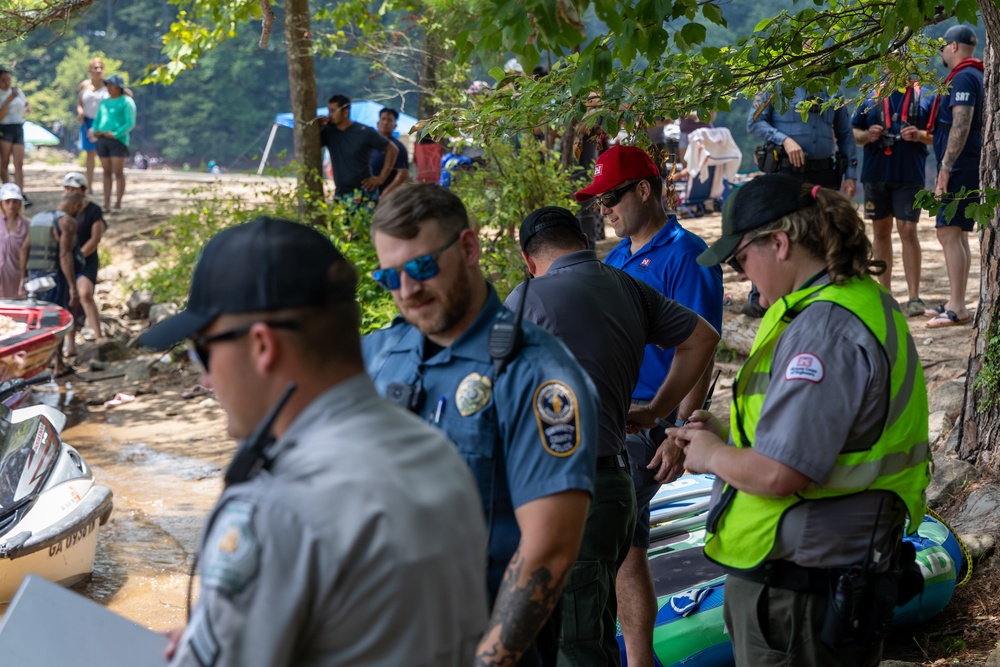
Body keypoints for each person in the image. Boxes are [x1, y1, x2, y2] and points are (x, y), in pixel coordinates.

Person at [136, 216, 489, 667]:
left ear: (262, 346)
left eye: (202, 352)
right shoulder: (435, 452)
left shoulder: (274, 510)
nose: (204, 378)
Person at [673, 173, 930, 667]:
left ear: (780, 243)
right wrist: (729, 437)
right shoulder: (852, 303)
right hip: (820, 583)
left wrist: (712, 456)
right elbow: (829, 441)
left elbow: (779, 473)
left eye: (741, 259)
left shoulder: (824, 329)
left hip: (801, 595)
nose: (742, 274)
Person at [363, 182, 598, 667]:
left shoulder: (537, 373)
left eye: (422, 267)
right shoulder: (381, 355)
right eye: (390, 278)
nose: (407, 290)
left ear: (468, 248)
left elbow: (548, 550)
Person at [507, 206, 720, 667]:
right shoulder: (628, 285)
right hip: (617, 485)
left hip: (565, 493)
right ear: (585, 242)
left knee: (575, 646)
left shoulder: (527, 301)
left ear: (529, 259)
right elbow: (703, 338)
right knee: (593, 625)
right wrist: (659, 411)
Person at [573, 144, 723, 667]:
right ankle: (637, 658)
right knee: (624, 547)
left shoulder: (687, 254)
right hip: (618, 417)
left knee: (618, 545)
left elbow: (702, 346)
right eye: (596, 202)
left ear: (644, 190)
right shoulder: (616, 259)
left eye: (610, 197)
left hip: (652, 420)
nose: (603, 209)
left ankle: (635, 658)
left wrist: (680, 431)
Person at [747, 86, 858, 317]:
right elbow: (754, 123)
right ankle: (762, 297)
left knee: (824, 234)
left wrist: (851, 175)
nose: (810, 47)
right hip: (785, 171)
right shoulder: (776, 83)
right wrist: (784, 140)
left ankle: (821, 294)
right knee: (775, 232)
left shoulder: (832, 86)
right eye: (806, 45)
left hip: (824, 173)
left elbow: (846, 133)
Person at [852, 74, 931, 317]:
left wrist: (918, 135)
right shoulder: (870, 95)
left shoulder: (924, 96)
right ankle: (884, 294)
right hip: (876, 174)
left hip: (910, 175)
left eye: (904, 55)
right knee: (880, 232)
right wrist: (868, 136)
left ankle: (914, 297)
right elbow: (853, 134)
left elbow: (937, 135)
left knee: (908, 231)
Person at [925, 24, 983, 328]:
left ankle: (957, 306)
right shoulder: (977, 74)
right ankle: (954, 300)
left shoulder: (962, 78)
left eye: (942, 47)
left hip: (961, 164)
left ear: (954, 47)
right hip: (967, 162)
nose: (941, 53)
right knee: (956, 232)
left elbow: (961, 123)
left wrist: (945, 168)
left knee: (948, 230)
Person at [319, 94, 399, 204]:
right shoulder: (328, 132)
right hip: (341, 194)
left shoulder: (365, 132)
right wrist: (317, 125)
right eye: (329, 111)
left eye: (333, 111)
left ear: (345, 112)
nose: (329, 115)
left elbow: (392, 150)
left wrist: (381, 178)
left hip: (364, 194)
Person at [21, 192, 83, 312]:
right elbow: (65, 255)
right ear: (75, 206)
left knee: (36, 314)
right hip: (53, 279)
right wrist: (72, 286)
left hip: (33, 277)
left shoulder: (37, 218)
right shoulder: (67, 222)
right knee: (53, 317)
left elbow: (24, 249)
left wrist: (22, 278)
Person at [63, 171, 106, 345]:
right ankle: (70, 345)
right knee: (69, 300)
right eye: (68, 188)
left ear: (83, 190)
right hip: (67, 261)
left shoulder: (94, 210)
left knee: (85, 294)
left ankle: (99, 335)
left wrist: (78, 257)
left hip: (86, 260)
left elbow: (95, 239)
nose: (71, 191)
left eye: (74, 188)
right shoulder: (64, 209)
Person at [90, 73, 136, 212]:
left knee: (118, 172)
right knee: (106, 172)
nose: (109, 87)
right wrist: (96, 130)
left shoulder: (127, 102)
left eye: (112, 85)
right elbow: (98, 119)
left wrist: (116, 134)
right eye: (108, 85)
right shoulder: (104, 102)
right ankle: (106, 203)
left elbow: (130, 123)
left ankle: (118, 203)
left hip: (118, 141)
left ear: (119, 87)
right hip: (103, 139)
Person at [78, 57, 109, 191]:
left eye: (101, 67)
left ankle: (106, 185)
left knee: (103, 154)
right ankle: (89, 186)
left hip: (103, 123)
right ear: (90, 70)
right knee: (90, 154)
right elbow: (79, 104)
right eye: (95, 67)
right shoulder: (84, 85)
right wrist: (80, 112)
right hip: (87, 123)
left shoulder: (108, 85)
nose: (98, 70)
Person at [0, 69, 30, 206]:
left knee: (19, 163)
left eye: (8, 79)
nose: (7, 83)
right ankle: (7, 191)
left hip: (18, 128)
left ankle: (20, 193)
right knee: (4, 162)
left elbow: (25, 103)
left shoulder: (17, 91)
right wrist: (8, 100)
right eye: (3, 80)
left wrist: (28, 108)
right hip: (5, 129)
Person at [370, 108, 409, 198]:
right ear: (378, 123)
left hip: (385, 196)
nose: (385, 122)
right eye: (383, 119)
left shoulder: (399, 147)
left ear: (395, 125)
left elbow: (403, 175)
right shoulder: (369, 143)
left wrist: (385, 194)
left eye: (389, 120)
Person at [0, 183, 29, 297]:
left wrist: (24, 277)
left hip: (16, 274)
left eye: (15, 201)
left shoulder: (27, 225)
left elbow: (26, 252)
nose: (11, 205)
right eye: (7, 201)